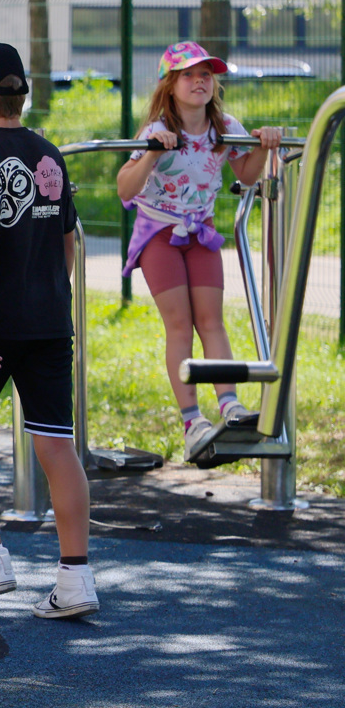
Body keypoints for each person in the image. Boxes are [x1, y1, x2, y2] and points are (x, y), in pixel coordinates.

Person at [0, 42, 96, 619]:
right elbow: (66, 241)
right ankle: (76, 579)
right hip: (51, 320)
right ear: (21, 96)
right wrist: (51, 291)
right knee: (57, 446)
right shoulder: (48, 151)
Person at [116, 41, 281, 457]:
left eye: (205, 74)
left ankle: (230, 405)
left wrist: (262, 144)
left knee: (212, 321)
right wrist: (152, 155)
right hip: (160, 234)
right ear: (170, 85)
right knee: (180, 324)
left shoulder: (224, 126)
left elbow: (245, 173)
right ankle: (192, 420)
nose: (198, 81)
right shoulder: (155, 130)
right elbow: (125, 189)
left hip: (201, 232)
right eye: (188, 75)